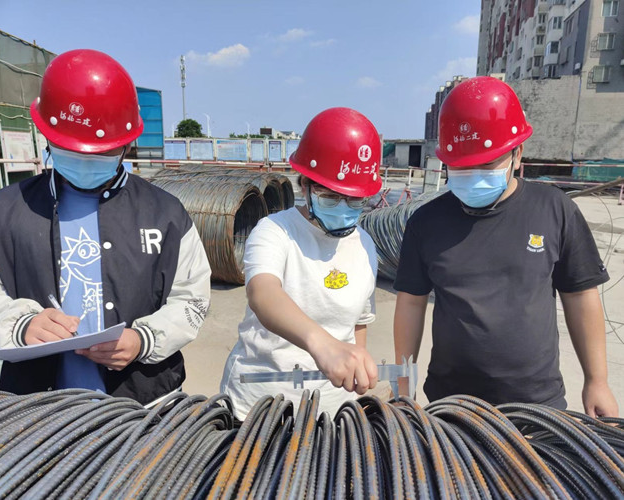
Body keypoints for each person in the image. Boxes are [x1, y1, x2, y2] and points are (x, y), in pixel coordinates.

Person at [394, 76, 619, 417]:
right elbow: (410, 305)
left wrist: (597, 380)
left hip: (536, 408)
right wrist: (403, 386)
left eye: (486, 163)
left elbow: (580, 296)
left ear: (517, 154)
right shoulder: (425, 223)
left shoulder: (554, 210)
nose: (473, 175)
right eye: (461, 166)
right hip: (451, 407)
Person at [0, 49, 211, 406]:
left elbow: (192, 297)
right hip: (35, 411)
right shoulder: (6, 210)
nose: (85, 162)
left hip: (143, 407)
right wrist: (19, 325)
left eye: (100, 154)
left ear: (127, 144)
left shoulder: (165, 213)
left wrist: (143, 339)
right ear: (46, 136)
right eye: (70, 150)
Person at [220, 107, 381, 419]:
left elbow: (359, 322)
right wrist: (321, 344)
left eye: (355, 199)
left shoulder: (364, 244)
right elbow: (263, 293)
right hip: (259, 407)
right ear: (305, 184)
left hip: (330, 409)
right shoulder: (275, 231)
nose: (344, 207)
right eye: (331, 196)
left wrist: (357, 361)